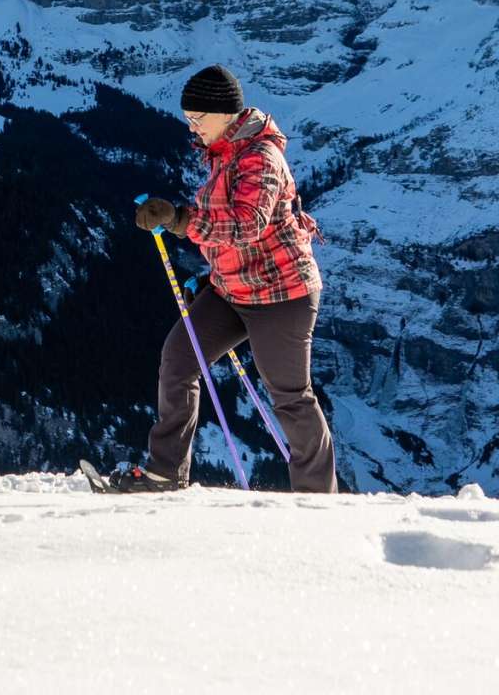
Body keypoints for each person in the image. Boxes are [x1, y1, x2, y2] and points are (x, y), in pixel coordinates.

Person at [103, 64, 337, 493]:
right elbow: (233, 230)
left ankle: (318, 499)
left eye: (197, 118)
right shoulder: (225, 151)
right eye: (188, 118)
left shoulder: (261, 158)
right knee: (178, 361)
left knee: (290, 396)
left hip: (282, 296)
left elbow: (247, 224)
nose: (191, 127)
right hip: (232, 290)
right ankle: (165, 472)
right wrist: (213, 277)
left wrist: (180, 220)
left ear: (225, 113)